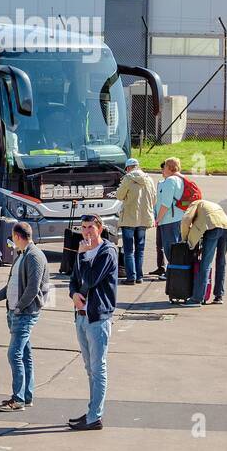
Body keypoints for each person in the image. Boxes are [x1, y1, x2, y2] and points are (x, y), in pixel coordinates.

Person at [0, 222, 50, 411]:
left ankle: (18, 399)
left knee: (14, 354)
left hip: (24, 313)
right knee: (25, 354)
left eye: (13, 237)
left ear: (18, 236)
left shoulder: (34, 256)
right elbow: (11, 286)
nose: (12, 241)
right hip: (17, 312)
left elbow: (33, 288)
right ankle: (26, 396)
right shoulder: (22, 256)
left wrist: (19, 308)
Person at [68, 213, 117, 431]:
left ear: (100, 228)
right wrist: (73, 294)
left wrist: (84, 255)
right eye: (83, 227)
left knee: (98, 369)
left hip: (98, 318)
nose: (87, 231)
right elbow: (74, 279)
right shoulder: (83, 251)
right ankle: (91, 411)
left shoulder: (107, 252)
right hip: (81, 316)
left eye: (91, 227)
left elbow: (90, 279)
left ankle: (95, 416)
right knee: (89, 368)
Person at [181, 198, 227, 306]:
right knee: (221, 262)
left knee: (206, 264)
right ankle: (218, 296)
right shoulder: (211, 204)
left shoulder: (195, 203)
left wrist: (185, 238)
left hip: (213, 227)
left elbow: (186, 220)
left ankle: (197, 298)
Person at [115, 157, 156, 285]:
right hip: (144, 219)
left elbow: (119, 195)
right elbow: (154, 198)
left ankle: (131, 277)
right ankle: (139, 276)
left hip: (129, 219)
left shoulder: (127, 178)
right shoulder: (149, 179)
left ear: (127, 168)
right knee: (140, 249)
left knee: (128, 250)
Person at [150, 157, 185, 278]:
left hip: (169, 219)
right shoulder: (181, 179)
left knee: (170, 249)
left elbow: (166, 203)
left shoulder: (170, 180)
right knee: (176, 246)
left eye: (164, 166)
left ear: (169, 168)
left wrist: (158, 219)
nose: (162, 169)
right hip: (179, 218)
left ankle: (173, 273)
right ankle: (176, 272)